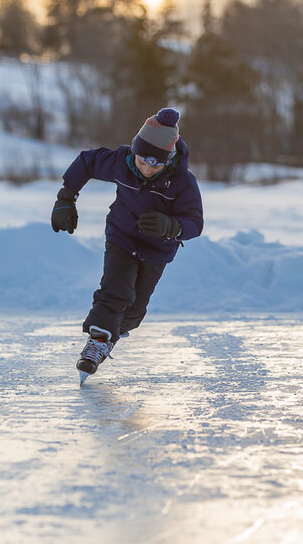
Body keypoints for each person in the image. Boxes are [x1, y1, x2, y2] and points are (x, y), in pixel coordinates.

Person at [51, 107, 203, 379]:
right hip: (122, 236)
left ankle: (110, 335)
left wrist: (171, 227)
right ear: (134, 152)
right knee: (115, 291)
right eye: (142, 160)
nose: (146, 168)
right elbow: (87, 162)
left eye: (155, 164)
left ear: (167, 160)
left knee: (133, 312)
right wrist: (66, 198)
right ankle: (96, 343)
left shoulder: (182, 182)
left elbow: (195, 222)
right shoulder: (122, 162)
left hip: (157, 250)